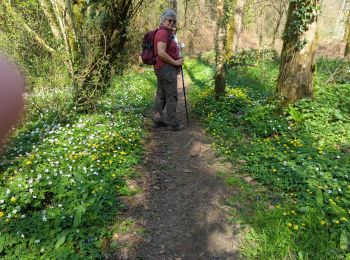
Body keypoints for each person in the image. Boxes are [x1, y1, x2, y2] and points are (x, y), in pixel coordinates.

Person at [153, 9, 184, 131]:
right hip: (165, 68)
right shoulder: (163, 33)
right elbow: (161, 52)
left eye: (174, 21)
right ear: (163, 20)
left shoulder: (167, 33)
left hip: (162, 68)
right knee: (172, 95)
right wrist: (175, 62)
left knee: (161, 94)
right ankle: (173, 123)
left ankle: (157, 120)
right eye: (169, 20)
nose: (172, 23)